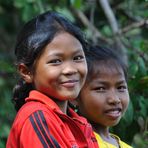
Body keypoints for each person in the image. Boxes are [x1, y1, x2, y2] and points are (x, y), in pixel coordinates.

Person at [6, 11, 99, 148]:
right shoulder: (38, 117)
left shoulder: (79, 122)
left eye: (77, 58)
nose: (70, 69)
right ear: (27, 72)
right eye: (56, 61)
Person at [72, 45, 133, 148]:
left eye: (121, 87)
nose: (115, 99)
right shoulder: (73, 141)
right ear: (74, 96)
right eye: (100, 89)